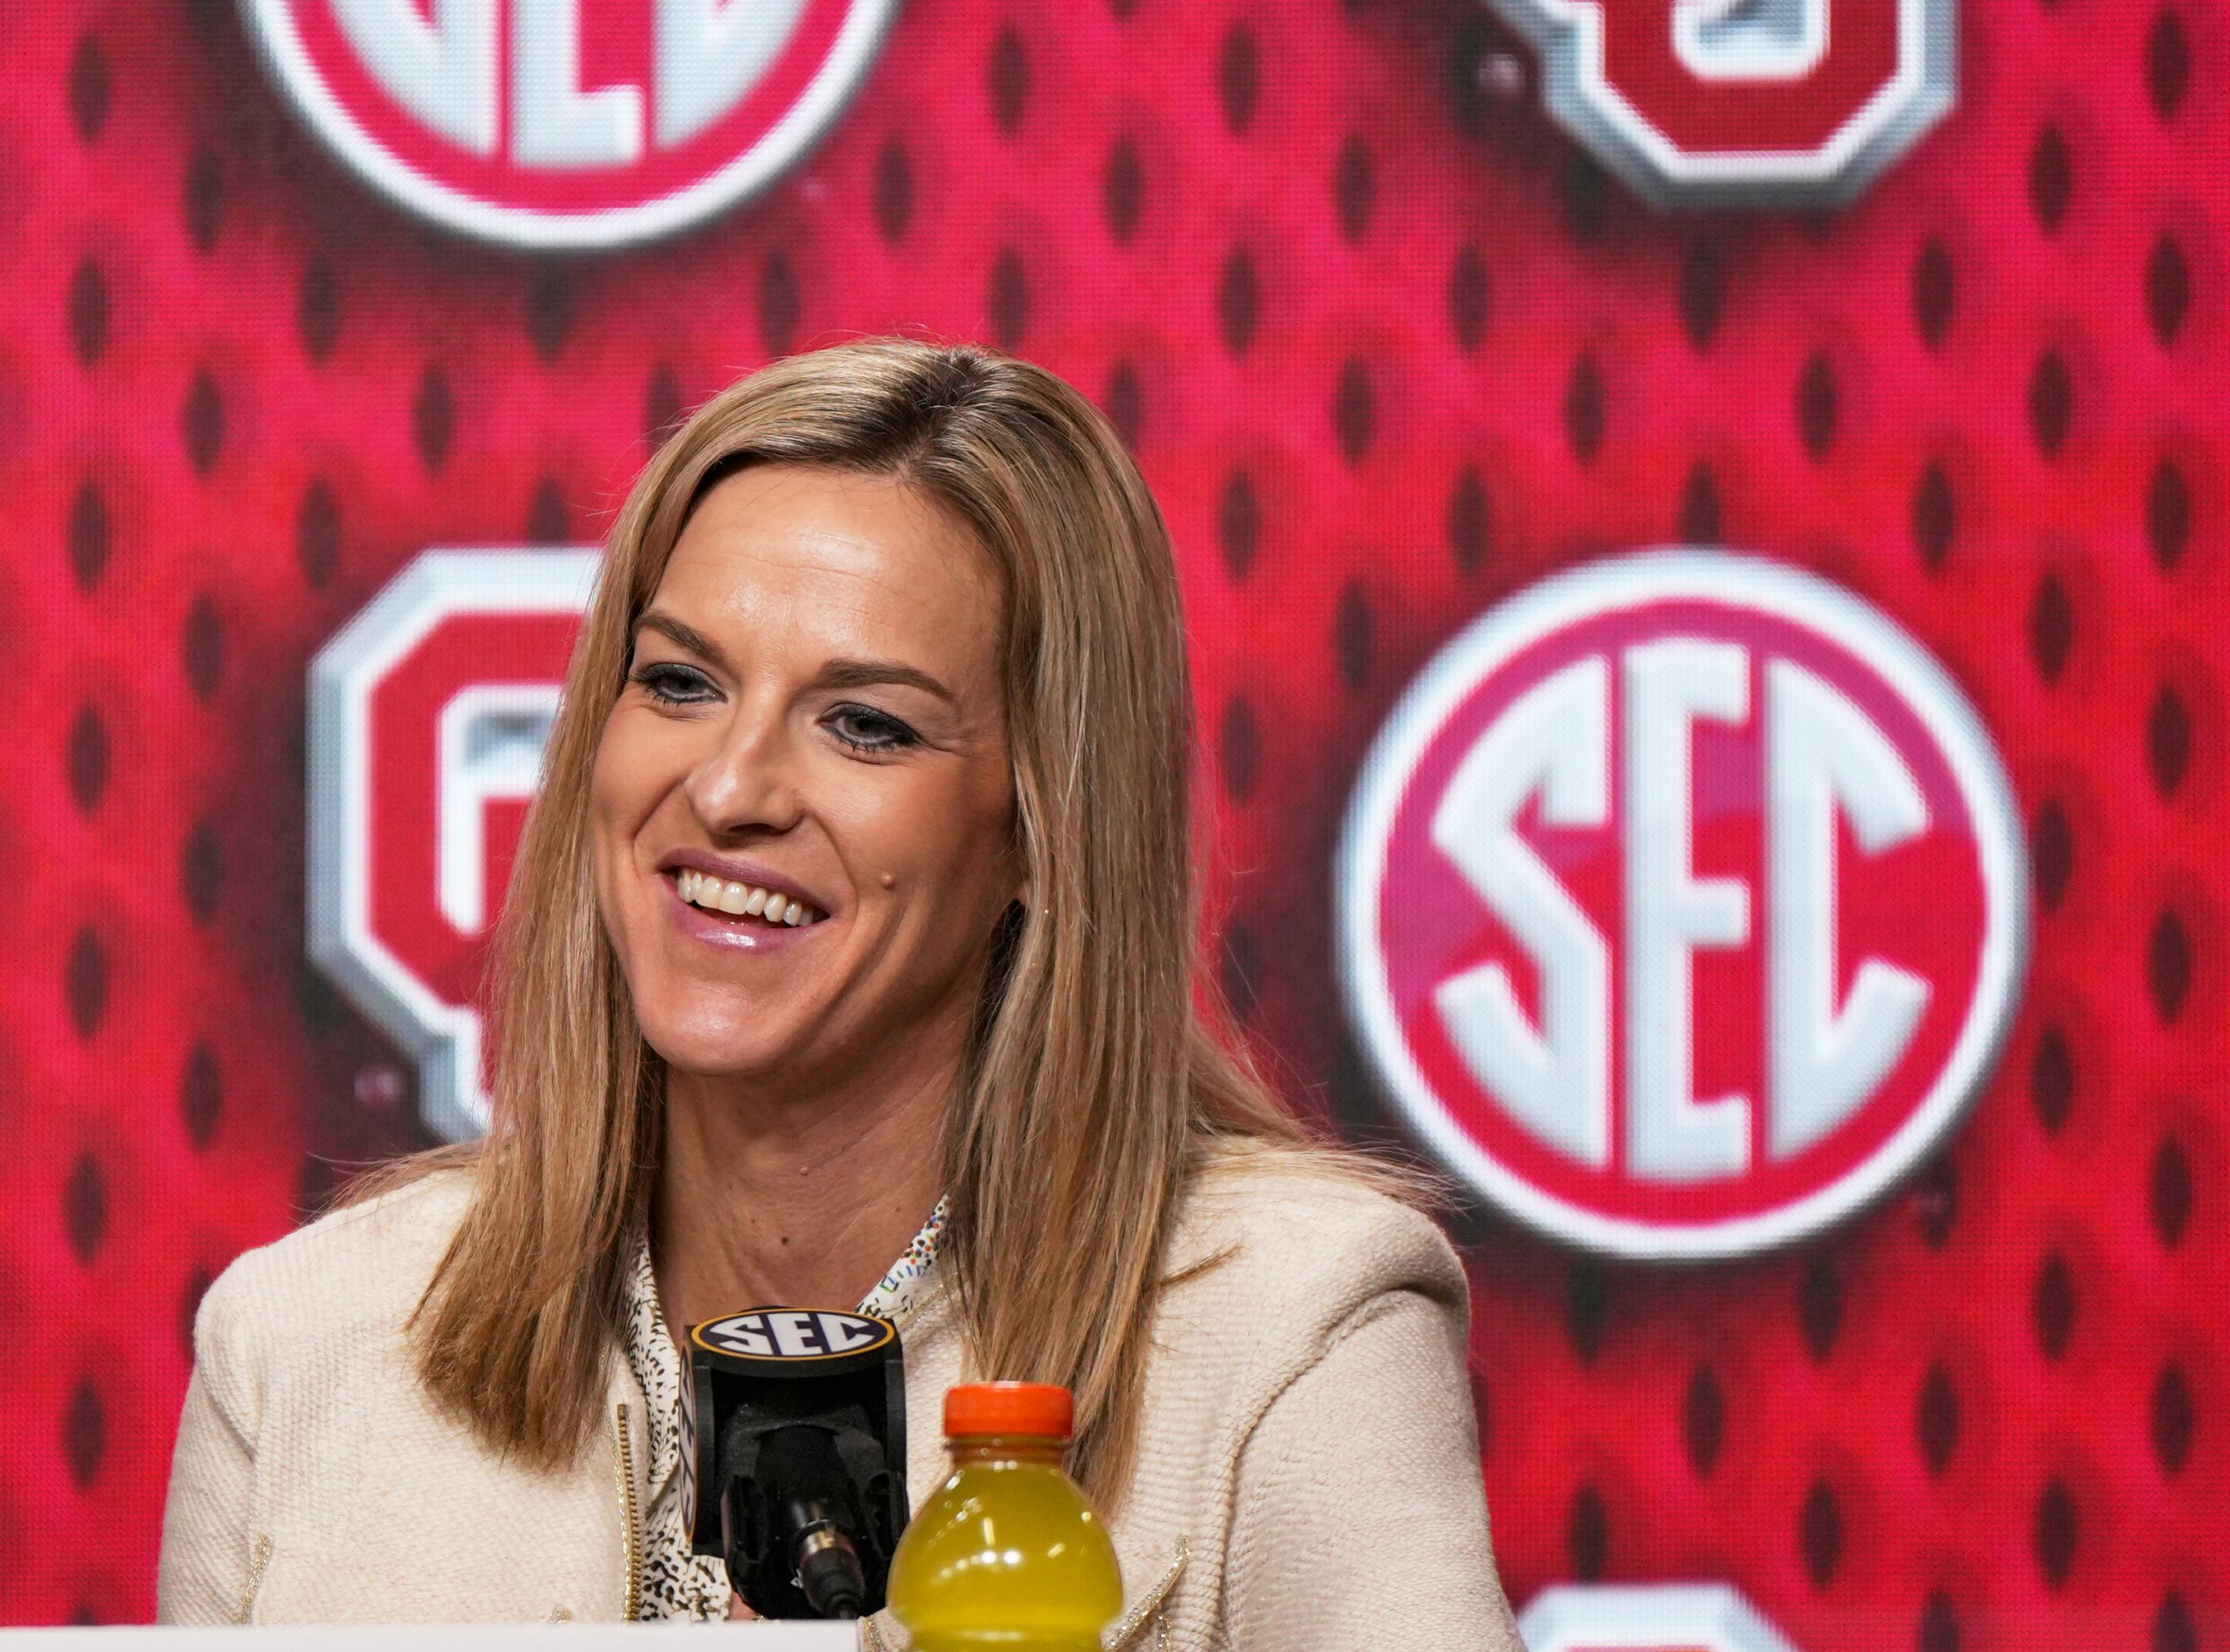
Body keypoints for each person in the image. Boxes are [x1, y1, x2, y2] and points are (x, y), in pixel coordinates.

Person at [159, 338, 1521, 1649]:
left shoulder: (1293, 1326)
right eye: (681, 684)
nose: (732, 789)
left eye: (864, 723)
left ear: (1042, 832)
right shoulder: (308, 1339)